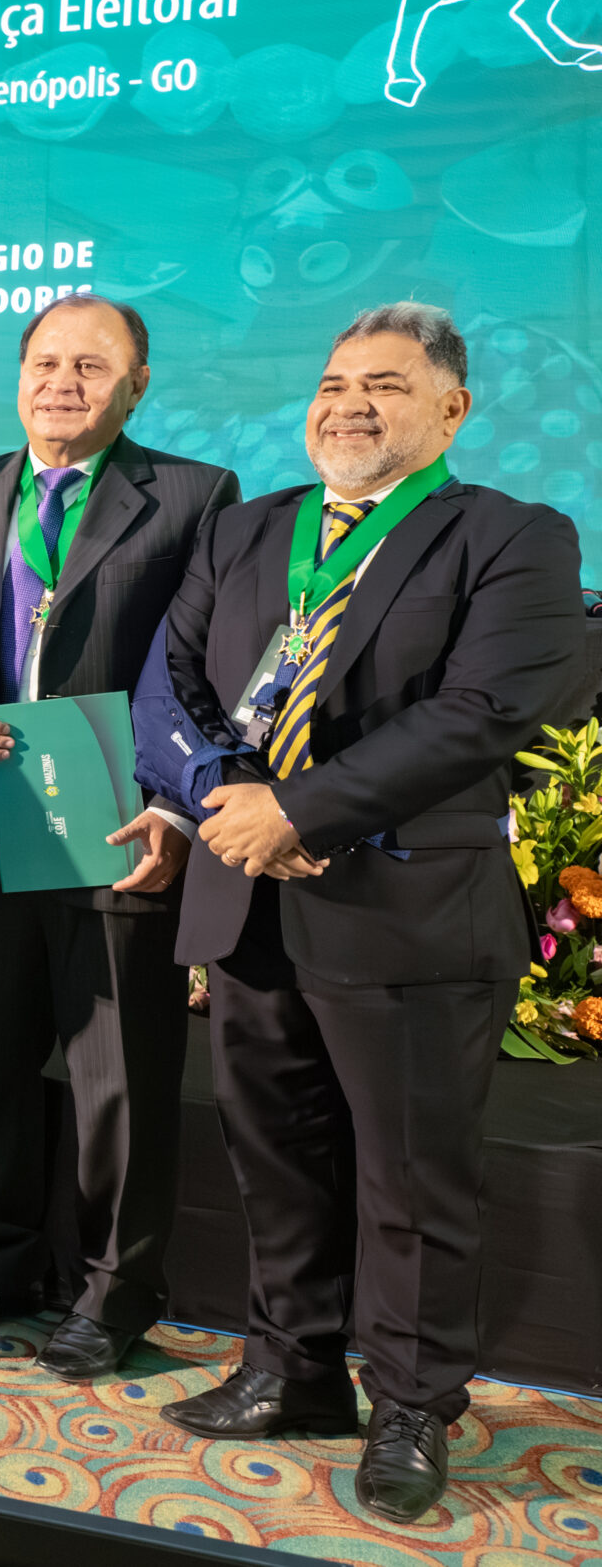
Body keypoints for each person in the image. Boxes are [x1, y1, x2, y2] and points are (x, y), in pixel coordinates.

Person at [156, 304, 584, 1523]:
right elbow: (168, 688)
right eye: (334, 381)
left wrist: (301, 813)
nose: (347, 403)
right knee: (274, 1158)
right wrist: (219, 795)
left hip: (406, 913)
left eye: (384, 386)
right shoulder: (247, 531)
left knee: (411, 1181)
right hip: (248, 906)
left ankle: (410, 1406)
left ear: (450, 410)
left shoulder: (510, 535)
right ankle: (288, 1370)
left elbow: (484, 710)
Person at [0, 294, 237, 1379]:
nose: (63, 382)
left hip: (117, 824)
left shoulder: (192, 497)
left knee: (119, 1084)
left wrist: (183, 800)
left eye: (90, 367)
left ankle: (113, 1291)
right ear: (15, 375)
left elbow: (201, 668)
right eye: (45, 361)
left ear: (135, 385)